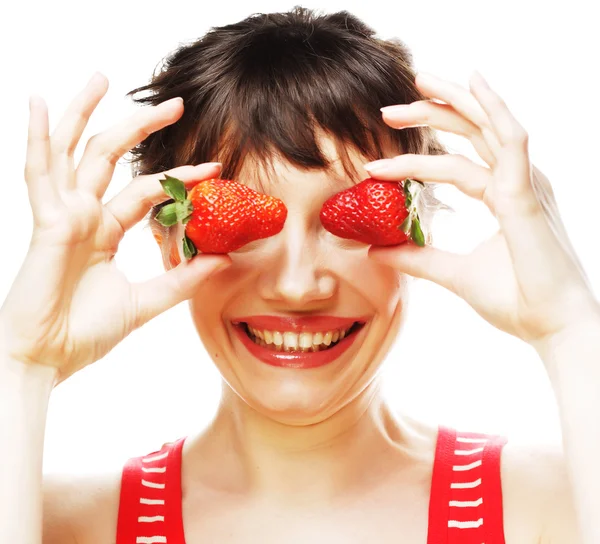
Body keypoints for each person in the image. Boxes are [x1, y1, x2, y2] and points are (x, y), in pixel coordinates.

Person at [1, 6, 598, 544]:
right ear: (166, 241)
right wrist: (21, 363)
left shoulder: (546, 508)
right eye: (246, 223)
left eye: (346, 219)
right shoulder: (61, 524)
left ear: (419, 229)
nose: (297, 285)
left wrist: (571, 328)